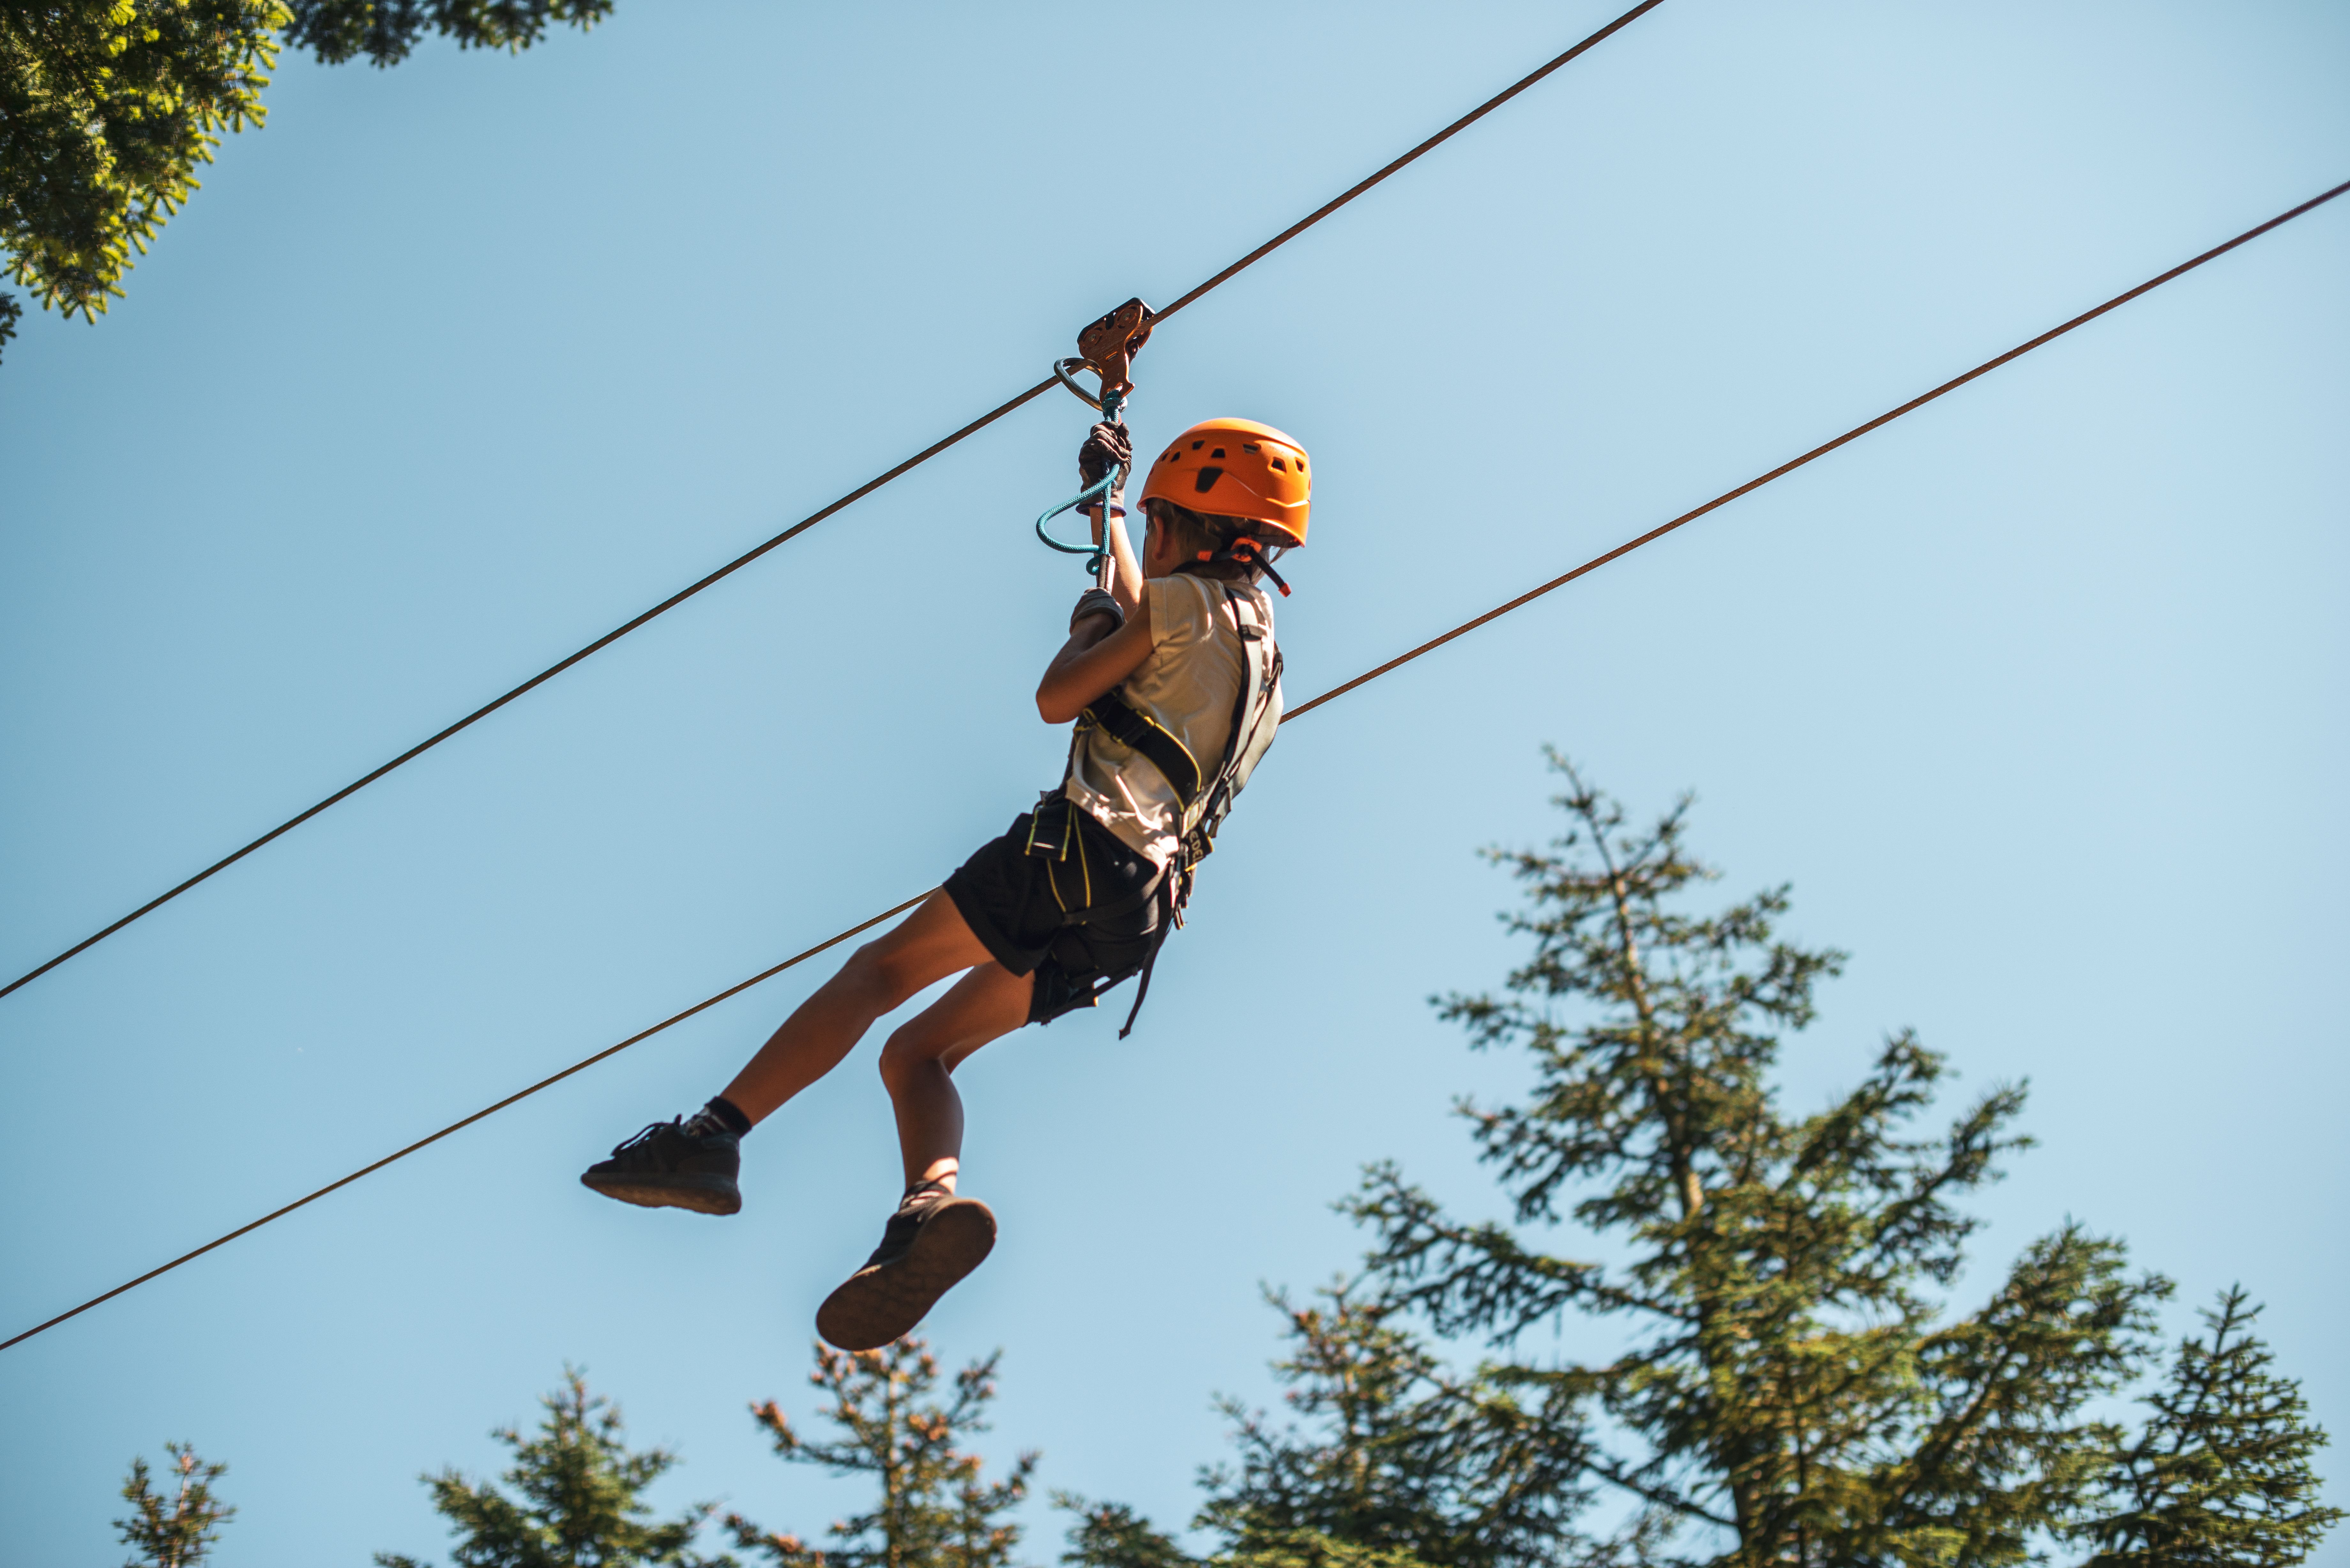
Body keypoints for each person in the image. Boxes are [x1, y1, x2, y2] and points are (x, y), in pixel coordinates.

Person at [579, 416, 1310, 1350]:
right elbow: (1150, 614)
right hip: (1137, 916)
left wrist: (1086, 624)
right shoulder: (1258, 650)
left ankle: (713, 1136)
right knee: (916, 1054)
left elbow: (1064, 692)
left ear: (1189, 529)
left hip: (1077, 850)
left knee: (877, 977)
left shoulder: (1177, 608)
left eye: (1157, 525)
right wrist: (1114, 512)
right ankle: (928, 1205)